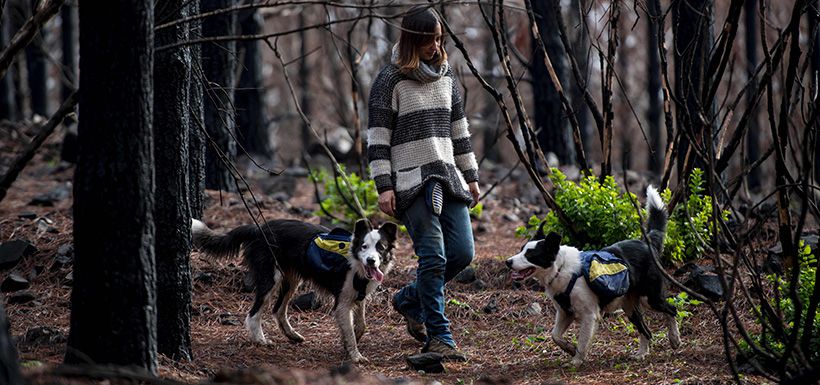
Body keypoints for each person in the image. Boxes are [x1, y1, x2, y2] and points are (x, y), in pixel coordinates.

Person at [367, 5, 480, 361]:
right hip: (410, 182)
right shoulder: (390, 80)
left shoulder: (447, 77)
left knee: (462, 253)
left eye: (439, 38)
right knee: (433, 258)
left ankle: (407, 300)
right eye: (429, 39)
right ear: (413, 39)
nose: (436, 45)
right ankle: (439, 337)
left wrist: (472, 175)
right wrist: (384, 185)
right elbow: (378, 138)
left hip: (448, 177)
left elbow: (459, 132)